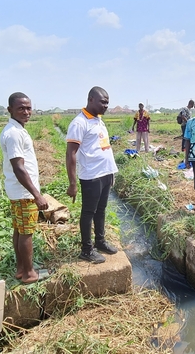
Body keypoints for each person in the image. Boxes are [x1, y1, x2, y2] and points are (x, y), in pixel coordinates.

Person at [66, 87, 120, 264]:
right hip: (91, 176)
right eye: (102, 102)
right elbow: (71, 154)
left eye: (107, 102)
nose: (105, 105)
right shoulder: (79, 123)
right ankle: (86, 250)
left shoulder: (98, 120)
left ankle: (100, 241)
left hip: (105, 173)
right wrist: (72, 183)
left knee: (101, 210)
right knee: (88, 212)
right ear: (90, 100)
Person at [0, 92, 49, 284]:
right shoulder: (13, 134)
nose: (26, 112)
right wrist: (37, 195)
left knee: (19, 230)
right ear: (10, 109)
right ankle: (29, 274)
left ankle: (21, 269)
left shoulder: (17, 130)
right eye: (21, 108)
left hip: (19, 191)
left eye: (28, 108)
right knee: (26, 232)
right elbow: (18, 168)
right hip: (24, 193)